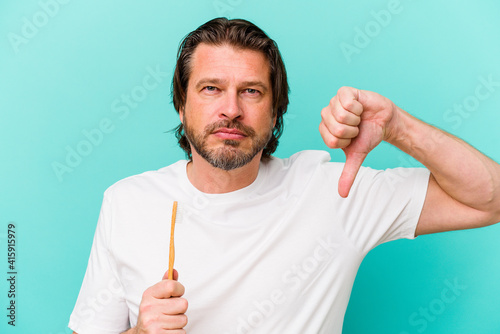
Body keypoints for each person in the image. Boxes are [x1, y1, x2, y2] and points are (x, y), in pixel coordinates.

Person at [69, 17, 500, 334]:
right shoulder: (126, 202)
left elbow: (492, 198)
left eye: (251, 91)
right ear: (181, 105)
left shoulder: (336, 192)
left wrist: (398, 126)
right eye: (211, 88)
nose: (232, 109)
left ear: (276, 113)